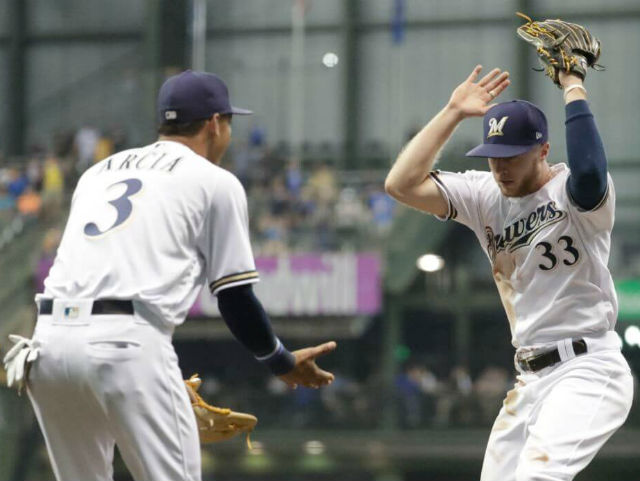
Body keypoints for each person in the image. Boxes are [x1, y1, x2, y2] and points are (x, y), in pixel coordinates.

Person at [24, 70, 336, 481]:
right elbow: (235, 297)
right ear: (214, 124)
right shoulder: (215, 182)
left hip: (46, 346)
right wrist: (280, 360)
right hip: (127, 344)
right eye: (228, 123)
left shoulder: (96, 173)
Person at [385, 65, 633, 480]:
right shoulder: (484, 195)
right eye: (493, 157)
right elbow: (401, 184)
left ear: (542, 150)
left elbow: (590, 171)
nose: (500, 168)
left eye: (512, 156)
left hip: (588, 368)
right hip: (530, 379)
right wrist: (451, 112)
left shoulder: (572, 192)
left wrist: (573, 86)